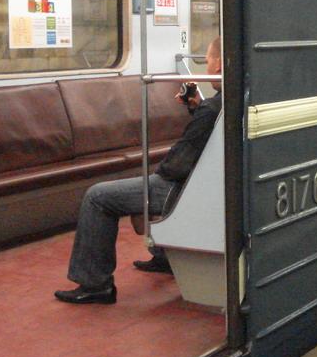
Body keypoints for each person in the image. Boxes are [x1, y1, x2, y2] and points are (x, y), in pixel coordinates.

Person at [54, 37, 222, 304]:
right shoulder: (224, 104)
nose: (207, 65)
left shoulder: (211, 109)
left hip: (182, 189)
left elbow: (177, 166)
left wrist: (158, 171)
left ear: (219, 65)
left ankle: (95, 284)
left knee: (98, 196)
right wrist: (195, 108)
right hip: (206, 184)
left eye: (208, 60)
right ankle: (165, 257)